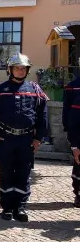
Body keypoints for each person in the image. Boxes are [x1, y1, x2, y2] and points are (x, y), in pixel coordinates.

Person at [0, 53, 48, 222]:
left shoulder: (36, 90)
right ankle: (6, 207)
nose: (20, 71)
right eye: (17, 68)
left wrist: (38, 138)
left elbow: (43, 116)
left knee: (23, 173)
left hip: (26, 140)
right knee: (6, 172)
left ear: (27, 70)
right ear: (10, 69)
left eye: (23, 68)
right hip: (6, 139)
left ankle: (20, 207)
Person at [63, 57, 80, 208]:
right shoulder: (72, 86)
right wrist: (69, 131)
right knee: (78, 164)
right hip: (77, 132)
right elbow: (67, 110)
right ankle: (78, 194)